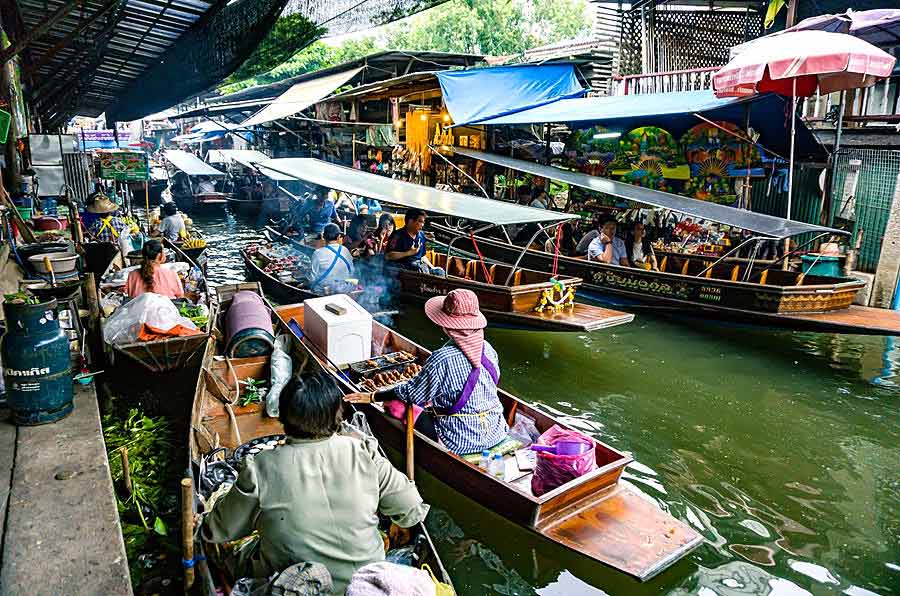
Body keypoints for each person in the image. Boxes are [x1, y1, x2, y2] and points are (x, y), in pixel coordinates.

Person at [202, 372, 429, 593]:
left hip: (297, 585)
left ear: (282, 416)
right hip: (367, 583)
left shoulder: (260, 467)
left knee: (235, 554)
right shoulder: (363, 450)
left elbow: (217, 531)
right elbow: (412, 510)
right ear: (337, 415)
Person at [346, 289, 509, 455]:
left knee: (395, 405)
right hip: (496, 429)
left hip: (460, 439)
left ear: (447, 326)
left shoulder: (442, 359)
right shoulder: (488, 349)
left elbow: (412, 394)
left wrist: (374, 396)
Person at [308, 223, 355, 292]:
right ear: (339, 237)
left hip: (323, 292)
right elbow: (351, 272)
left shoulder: (317, 253)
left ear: (323, 237)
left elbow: (312, 279)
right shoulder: (345, 250)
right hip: (343, 290)